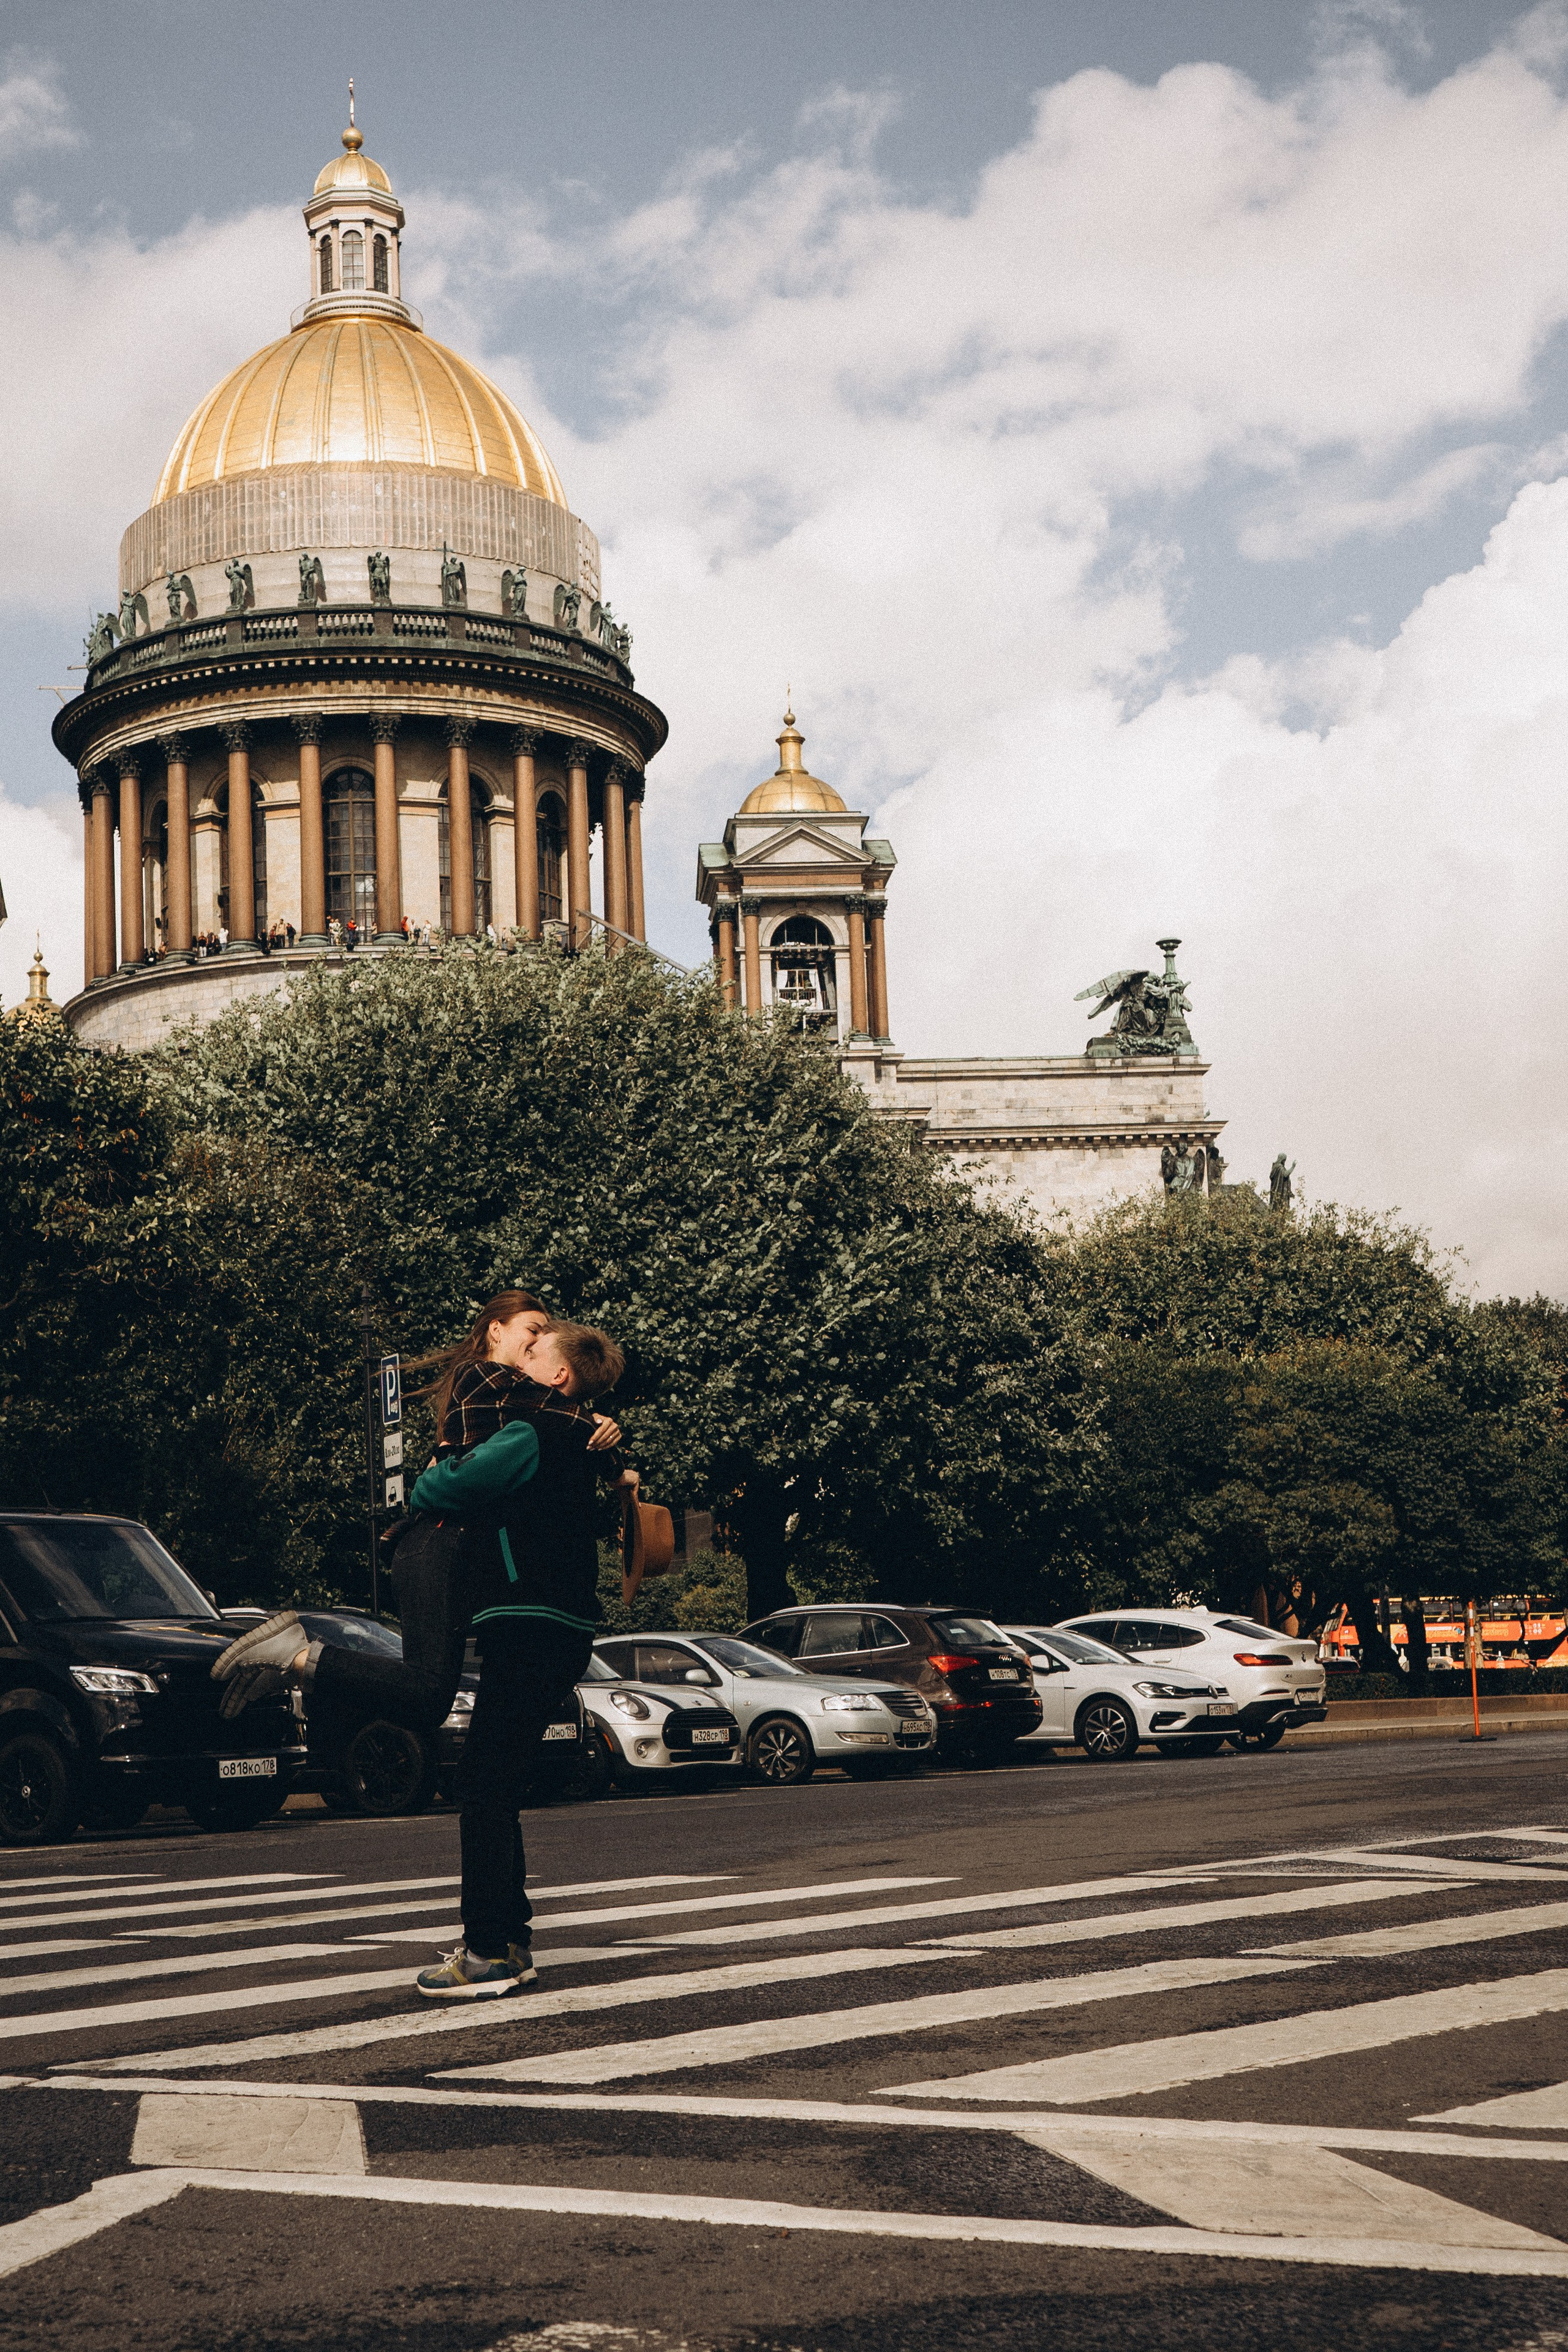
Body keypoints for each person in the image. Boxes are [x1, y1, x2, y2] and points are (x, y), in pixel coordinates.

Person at [209, 1292, 630, 2001]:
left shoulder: (529, 1431)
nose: (529, 1358)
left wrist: (443, 1479)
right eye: (526, 1340)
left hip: (526, 1620)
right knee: (496, 1780)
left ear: (560, 1376)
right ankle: (511, 1938)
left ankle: (489, 1950)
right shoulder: (568, 1429)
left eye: (540, 1351)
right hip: (563, 1627)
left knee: (483, 1784)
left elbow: (441, 1484)